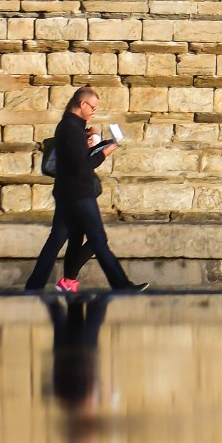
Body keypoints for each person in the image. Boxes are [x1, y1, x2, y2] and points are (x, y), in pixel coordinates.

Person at [24, 86, 147, 292]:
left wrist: (95, 140)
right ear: (82, 104)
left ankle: (34, 286)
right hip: (79, 194)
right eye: (93, 107)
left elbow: (77, 158)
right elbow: (81, 167)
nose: (93, 112)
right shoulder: (71, 129)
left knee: (56, 241)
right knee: (98, 241)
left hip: (68, 193)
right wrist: (104, 153)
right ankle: (121, 285)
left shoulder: (72, 127)